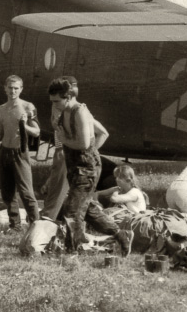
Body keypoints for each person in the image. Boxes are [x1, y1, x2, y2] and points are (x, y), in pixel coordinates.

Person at [48, 76, 131, 256]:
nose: (54, 105)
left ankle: (72, 252)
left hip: (86, 170)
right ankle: (120, 234)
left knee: (72, 210)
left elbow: (86, 143)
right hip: (75, 168)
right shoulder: (63, 110)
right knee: (88, 209)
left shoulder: (80, 112)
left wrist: (85, 153)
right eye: (52, 101)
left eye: (57, 101)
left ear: (68, 97)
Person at [0, 74, 41, 230]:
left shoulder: (28, 107)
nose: (12, 91)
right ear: (5, 88)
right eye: (10, 88)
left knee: (26, 192)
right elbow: (1, 134)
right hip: (4, 151)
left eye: (16, 88)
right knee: (7, 193)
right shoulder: (1, 109)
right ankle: (15, 225)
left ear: (21, 89)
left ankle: (36, 225)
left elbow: (36, 131)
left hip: (20, 151)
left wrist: (24, 125)